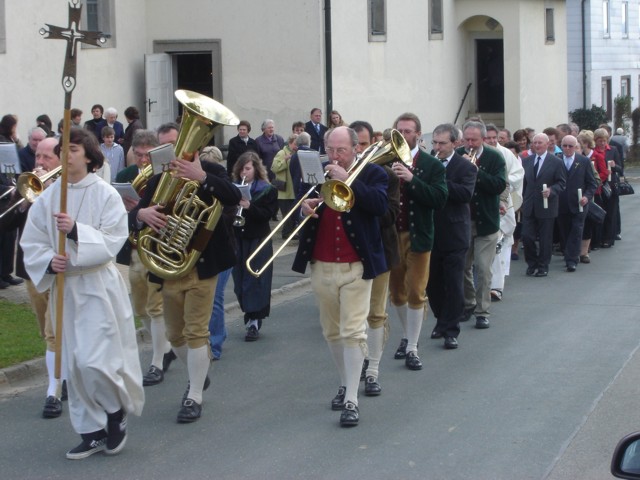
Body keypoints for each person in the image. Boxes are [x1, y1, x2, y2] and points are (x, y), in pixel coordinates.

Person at [21, 128, 144, 459]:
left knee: (94, 360)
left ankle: (115, 411)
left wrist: (76, 231)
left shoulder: (104, 193)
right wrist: (49, 262)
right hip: (67, 286)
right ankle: (91, 431)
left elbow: (113, 238)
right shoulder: (48, 197)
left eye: (72, 149)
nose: (65, 154)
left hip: (97, 286)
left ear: (88, 155)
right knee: (73, 363)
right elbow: (32, 241)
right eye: (62, 149)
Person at [131, 137, 241, 423]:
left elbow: (232, 196)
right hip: (169, 267)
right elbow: (138, 212)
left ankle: (194, 395)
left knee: (196, 331)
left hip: (202, 266)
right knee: (174, 334)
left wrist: (202, 177)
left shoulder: (212, 171)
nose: (175, 151)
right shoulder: (159, 179)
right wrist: (139, 214)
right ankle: (198, 374)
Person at [292, 126, 388, 427]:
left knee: (353, 332)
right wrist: (302, 209)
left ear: (355, 148)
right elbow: (303, 207)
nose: (334, 156)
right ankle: (346, 381)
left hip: (357, 266)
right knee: (332, 333)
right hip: (321, 265)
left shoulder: (373, 174)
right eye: (330, 150)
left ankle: (351, 400)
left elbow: (380, 206)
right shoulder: (315, 172)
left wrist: (350, 182)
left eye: (341, 150)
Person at [0, 137, 65, 417]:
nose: (39, 162)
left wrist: (49, 192)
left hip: (63, 269)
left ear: (60, 159)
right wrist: (22, 199)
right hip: (32, 270)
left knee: (55, 331)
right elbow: (6, 224)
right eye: (37, 156)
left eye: (46, 157)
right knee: (46, 330)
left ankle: (54, 390)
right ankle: (62, 376)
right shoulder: (27, 187)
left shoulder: (67, 188)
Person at [115, 130, 176, 386]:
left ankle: (157, 361)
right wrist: (130, 210)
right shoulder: (125, 176)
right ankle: (165, 349)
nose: (141, 160)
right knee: (141, 307)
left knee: (155, 306)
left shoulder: (165, 176)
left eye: (145, 155)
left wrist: (141, 208)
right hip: (133, 247)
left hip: (158, 246)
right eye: (137, 154)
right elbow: (113, 213)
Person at [389, 112, 448, 368]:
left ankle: (413, 346)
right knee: (397, 293)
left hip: (419, 235)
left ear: (417, 134)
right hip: (391, 237)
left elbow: (439, 198)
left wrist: (413, 179)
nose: (403, 135)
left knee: (416, 289)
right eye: (399, 131)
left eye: (408, 131)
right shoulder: (386, 161)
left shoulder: (432, 165)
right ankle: (406, 334)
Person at [349, 120, 400, 395]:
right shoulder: (333, 172)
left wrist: (357, 189)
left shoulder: (386, 176)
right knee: (351, 319)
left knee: (376, 313)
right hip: (347, 253)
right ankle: (353, 370)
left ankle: (372, 371)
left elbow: (389, 215)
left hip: (378, 250)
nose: (360, 151)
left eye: (364, 145)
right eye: (355, 145)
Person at [427, 123, 477, 349]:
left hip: (455, 233)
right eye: (435, 143)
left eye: (442, 143)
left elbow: (465, 194)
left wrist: (438, 181)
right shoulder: (428, 163)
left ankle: (451, 329)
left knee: (454, 284)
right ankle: (441, 319)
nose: (437, 147)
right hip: (430, 231)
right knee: (432, 284)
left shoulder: (466, 167)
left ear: (455, 143)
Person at [457, 120, 506, 329]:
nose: (469, 144)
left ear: (483, 139)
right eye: (467, 139)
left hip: (486, 221)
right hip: (462, 220)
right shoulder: (458, 153)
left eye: (474, 140)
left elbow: (498, 185)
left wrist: (475, 170)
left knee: (483, 268)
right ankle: (469, 303)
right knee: (463, 266)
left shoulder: (494, 157)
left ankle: (482, 311)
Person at [232, 151, 278, 341]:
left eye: (248, 168)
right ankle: (249, 314)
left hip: (258, 238)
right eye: (242, 168)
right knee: (240, 280)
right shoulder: (234, 188)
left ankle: (254, 321)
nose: (245, 172)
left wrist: (249, 206)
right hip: (238, 238)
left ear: (256, 169)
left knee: (255, 280)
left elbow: (267, 214)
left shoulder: (267, 189)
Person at [199, 146, 234, 360]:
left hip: (222, 248)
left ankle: (216, 342)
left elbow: (229, 217)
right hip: (201, 249)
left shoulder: (224, 185)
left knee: (216, 297)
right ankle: (204, 337)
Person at [521, 133, 566, 277]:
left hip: (547, 206)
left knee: (546, 239)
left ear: (547, 144)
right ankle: (531, 263)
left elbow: (562, 183)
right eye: (535, 142)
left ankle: (543, 265)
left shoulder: (556, 162)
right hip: (529, 205)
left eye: (540, 142)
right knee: (527, 236)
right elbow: (524, 184)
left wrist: (551, 190)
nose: (537, 145)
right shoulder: (527, 161)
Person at [556, 135, 598, 272]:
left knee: (576, 230)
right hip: (561, 203)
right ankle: (568, 252)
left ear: (576, 147)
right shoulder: (556, 160)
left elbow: (592, 183)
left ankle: (572, 260)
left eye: (570, 146)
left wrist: (587, 197)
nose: (567, 149)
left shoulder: (584, 161)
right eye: (564, 146)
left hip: (579, 203)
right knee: (565, 231)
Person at [594, 128, 622, 248]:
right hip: (599, 186)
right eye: (600, 140)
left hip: (611, 186)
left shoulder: (613, 150)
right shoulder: (593, 152)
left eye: (604, 140)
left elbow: (621, 168)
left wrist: (614, 166)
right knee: (600, 212)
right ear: (595, 140)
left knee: (611, 213)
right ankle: (599, 238)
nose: (602, 143)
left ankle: (608, 238)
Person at [271, 133, 299, 239]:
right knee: (287, 213)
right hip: (285, 189)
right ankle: (286, 233)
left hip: (293, 188)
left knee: (292, 212)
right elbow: (274, 168)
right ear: (290, 143)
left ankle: (290, 232)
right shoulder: (282, 153)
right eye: (295, 144)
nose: (297, 146)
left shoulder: (297, 153)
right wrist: (285, 160)